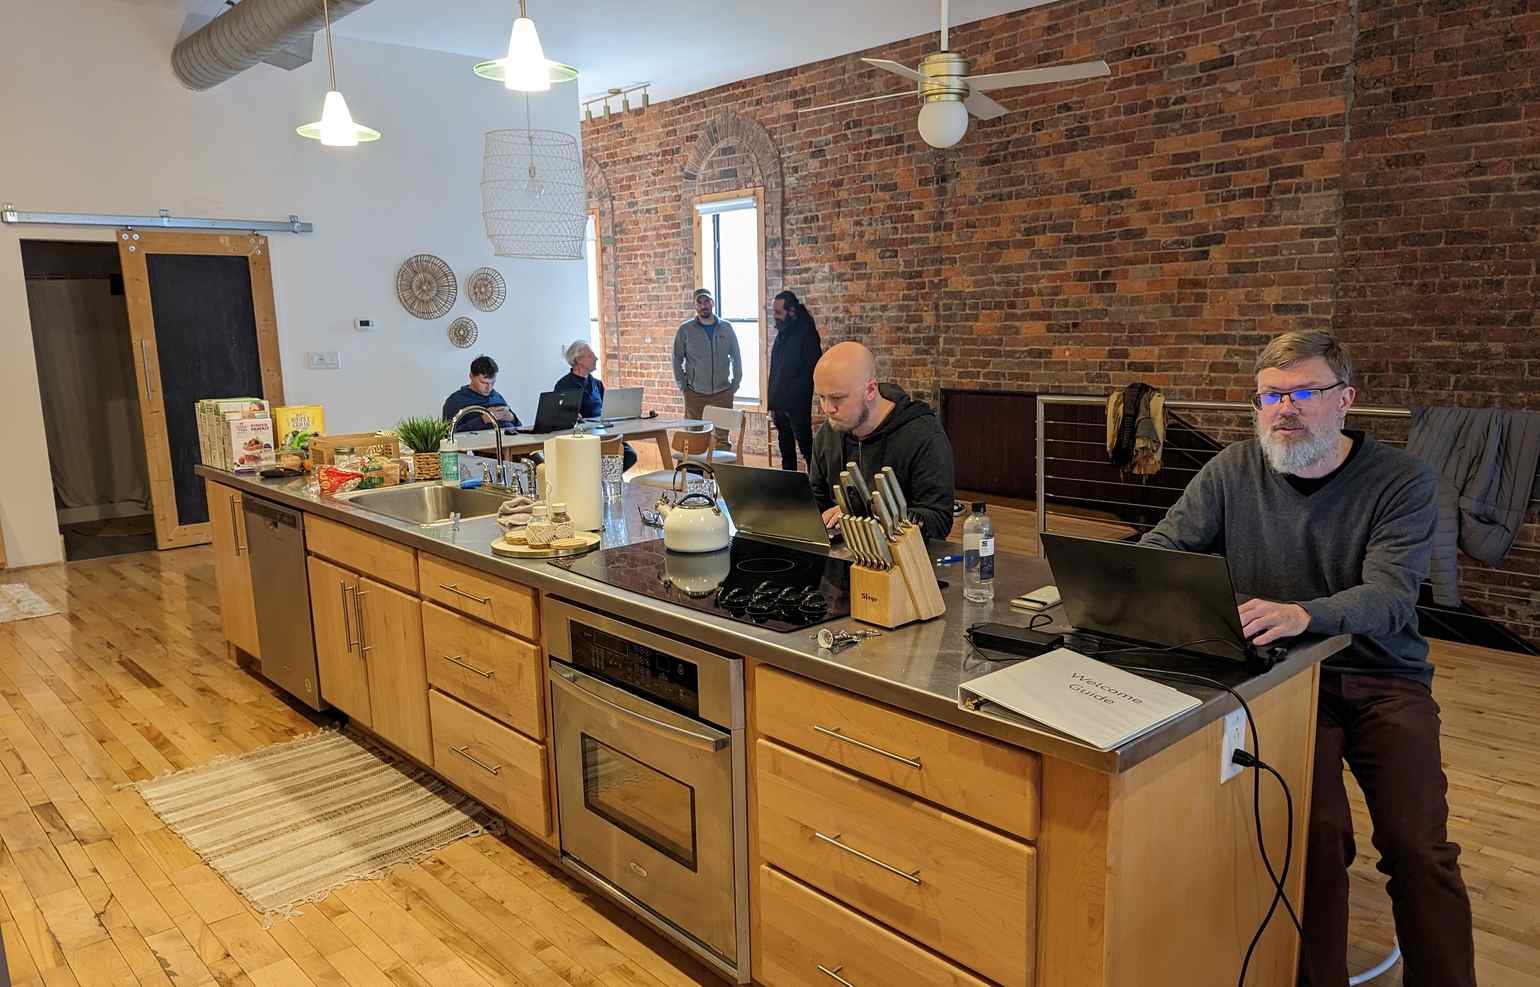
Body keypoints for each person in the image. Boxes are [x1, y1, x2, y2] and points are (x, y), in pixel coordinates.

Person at [1139, 330, 1474, 987]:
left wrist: (1304, 613)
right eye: (1269, 395)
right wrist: (1129, 575)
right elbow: (1166, 542)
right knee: (1312, 840)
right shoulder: (1234, 469)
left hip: (1381, 674)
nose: (1283, 408)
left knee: (1418, 846)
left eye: (1302, 392)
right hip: (1281, 680)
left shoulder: (1402, 480)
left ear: (1345, 399)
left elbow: (1389, 598)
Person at [808, 341, 955, 542]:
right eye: (821, 398)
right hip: (844, 553)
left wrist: (866, 518)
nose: (828, 409)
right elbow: (816, 501)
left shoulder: (923, 435)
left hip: (905, 559)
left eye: (837, 398)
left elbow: (938, 521)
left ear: (870, 390)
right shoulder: (828, 433)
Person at [672, 287, 742, 451]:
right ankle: (693, 476)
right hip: (695, 394)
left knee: (722, 440)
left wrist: (735, 382)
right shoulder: (685, 330)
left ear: (713, 303)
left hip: (723, 393)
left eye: (707, 301)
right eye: (700, 302)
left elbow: (736, 357)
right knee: (694, 438)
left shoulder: (726, 328)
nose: (704, 305)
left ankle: (719, 475)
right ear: (695, 306)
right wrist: (684, 386)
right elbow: (676, 359)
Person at [554, 339, 636, 471]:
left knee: (629, 455)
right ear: (578, 360)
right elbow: (559, 417)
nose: (596, 358)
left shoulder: (597, 384)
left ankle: (602, 480)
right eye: (591, 356)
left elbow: (606, 409)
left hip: (603, 433)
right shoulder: (563, 385)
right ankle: (598, 481)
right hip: (582, 439)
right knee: (617, 456)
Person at [767, 290, 822, 471]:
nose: (774, 317)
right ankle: (788, 487)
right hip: (780, 404)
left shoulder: (807, 334)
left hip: (797, 404)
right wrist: (772, 403)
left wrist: (792, 400)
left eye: (778, 312)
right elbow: (775, 370)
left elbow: (812, 370)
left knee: (806, 447)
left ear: (791, 312)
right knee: (786, 450)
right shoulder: (782, 334)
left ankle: (818, 488)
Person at [442, 354, 520, 432]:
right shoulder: (455, 401)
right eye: (483, 383)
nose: (489, 388)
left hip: (509, 440)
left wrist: (512, 418)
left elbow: (520, 427)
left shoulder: (497, 396)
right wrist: (482, 420)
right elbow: (447, 434)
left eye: (492, 383)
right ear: (471, 376)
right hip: (478, 442)